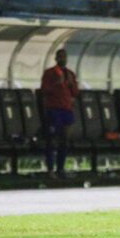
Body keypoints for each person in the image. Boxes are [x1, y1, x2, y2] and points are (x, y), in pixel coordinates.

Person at [41, 49, 79, 177]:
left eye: (64, 56)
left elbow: (75, 92)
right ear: (56, 58)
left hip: (67, 110)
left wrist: (70, 84)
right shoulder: (50, 73)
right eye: (60, 56)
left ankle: (60, 168)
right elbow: (44, 90)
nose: (63, 59)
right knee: (52, 140)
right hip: (54, 109)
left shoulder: (70, 74)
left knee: (64, 140)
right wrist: (56, 84)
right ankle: (50, 168)